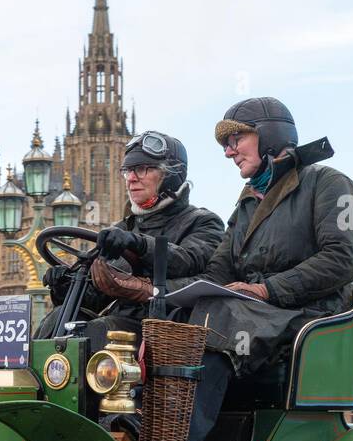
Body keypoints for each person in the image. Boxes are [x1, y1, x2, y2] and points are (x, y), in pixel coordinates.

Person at [181, 97, 353, 441]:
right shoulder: (247, 204)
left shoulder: (334, 184)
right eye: (225, 145)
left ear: (269, 136)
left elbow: (344, 259)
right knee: (173, 323)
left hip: (306, 319)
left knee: (219, 323)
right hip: (254, 318)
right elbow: (217, 272)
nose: (229, 152)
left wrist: (268, 290)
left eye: (236, 140)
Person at [37, 129, 224, 352]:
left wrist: (139, 244)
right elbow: (95, 296)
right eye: (127, 171)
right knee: (56, 320)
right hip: (118, 323)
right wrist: (63, 286)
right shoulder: (122, 228)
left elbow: (187, 260)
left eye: (142, 169)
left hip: (168, 329)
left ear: (172, 175)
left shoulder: (203, 222)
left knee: (98, 332)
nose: (132, 178)